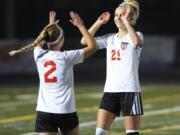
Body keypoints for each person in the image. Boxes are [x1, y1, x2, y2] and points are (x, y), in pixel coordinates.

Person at [9, 10, 96, 135]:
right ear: (61, 40)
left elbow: (39, 41)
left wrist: (50, 26)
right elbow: (92, 47)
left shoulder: (38, 54)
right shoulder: (66, 57)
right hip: (65, 111)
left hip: (44, 111)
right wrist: (81, 26)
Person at [81, 0, 143, 135]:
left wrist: (126, 22)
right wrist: (99, 22)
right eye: (116, 15)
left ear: (131, 18)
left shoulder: (137, 35)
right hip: (110, 91)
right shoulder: (109, 39)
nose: (117, 18)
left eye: (121, 15)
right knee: (100, 133)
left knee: (132, 133)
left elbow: (136, 42)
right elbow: (85, 41)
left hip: (130, 91)